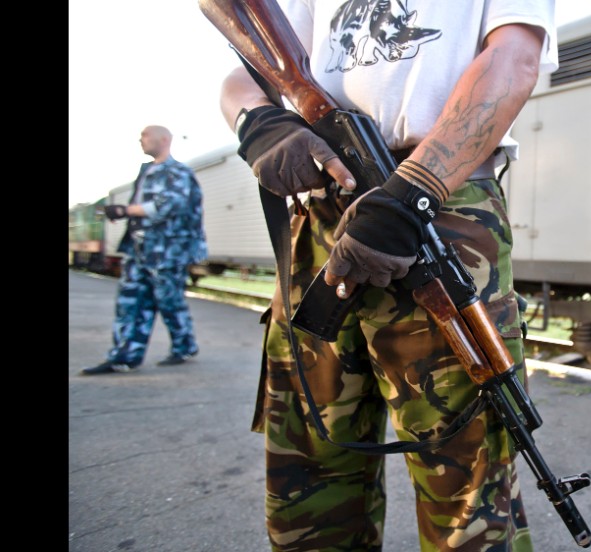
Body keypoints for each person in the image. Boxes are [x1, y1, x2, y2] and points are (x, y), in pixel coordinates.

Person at [218, 1, 556, 550]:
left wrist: (413, 194)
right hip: (321, 212)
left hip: (437, 208)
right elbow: (245, 72)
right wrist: (257, 121)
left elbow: (514, 59)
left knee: (467, 500)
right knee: (307, 485)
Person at [81, 125, 208, 375]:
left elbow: (169, 205)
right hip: (139, 248)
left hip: (167, 250)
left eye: (145, 136)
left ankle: (184, 346)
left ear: (164, 139)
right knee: (130, 301)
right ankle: (124, 356)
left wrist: (125, 210)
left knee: (169, 300)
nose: (141, 140)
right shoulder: (147, 171)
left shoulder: (177, 172)